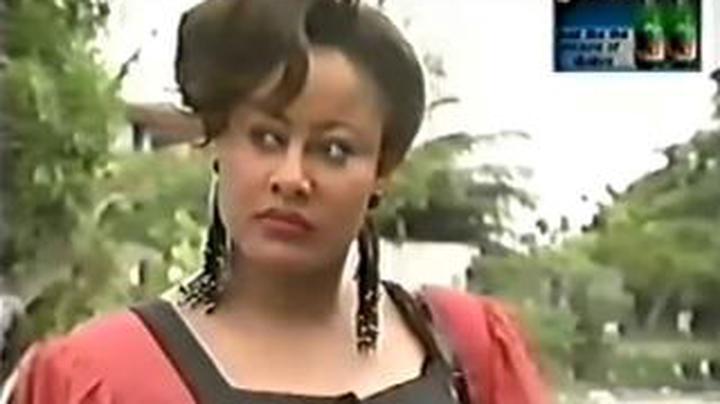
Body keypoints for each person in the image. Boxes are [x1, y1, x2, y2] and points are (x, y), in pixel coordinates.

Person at [7, 1, 550, 403]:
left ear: (383, 172)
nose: (292, 178)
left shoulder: (469, 352)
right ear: (217, 143)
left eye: (334, 150)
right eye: (266, 138)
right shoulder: (99, 379)